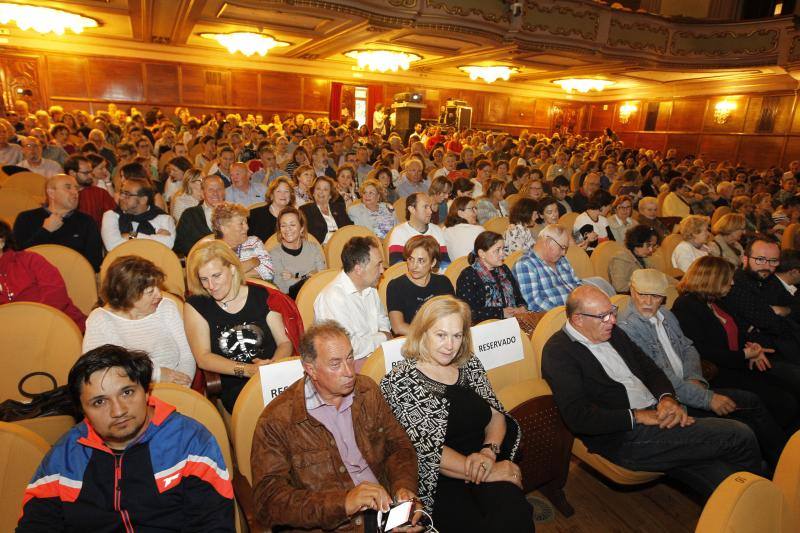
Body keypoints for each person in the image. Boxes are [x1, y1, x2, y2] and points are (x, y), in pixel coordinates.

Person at [542, 285, 764, 499]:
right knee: (739, 434)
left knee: (725, 472)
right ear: (578, 319)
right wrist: (638, 416)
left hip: (658, 413)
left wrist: (666, 398)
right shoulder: (559, 352)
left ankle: (754, 504)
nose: (612, 320)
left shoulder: (613, 332)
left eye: (612, 312)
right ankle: (761, 499)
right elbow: (578, 417)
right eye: (603, 316)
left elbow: (650, 369)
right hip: (624, 436)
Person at [17, 345, 234, 532]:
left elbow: (213, 525)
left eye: (127, 393)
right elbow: (36, 525)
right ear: (82, 411)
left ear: (147, 392)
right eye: (99, 402)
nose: (118, 410)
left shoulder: (190, 441)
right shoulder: (64, 458)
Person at [380, 296, 533, 531]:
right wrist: (489, 472)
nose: (450, 345)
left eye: (457, 335)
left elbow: (495, 414)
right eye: (440, 335)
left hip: (482, 458)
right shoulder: (399, 381)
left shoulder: (468, 363)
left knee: (515, 514)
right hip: (437, 479)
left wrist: (489, 451)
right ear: (422, 332)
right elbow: (427, 449)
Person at [250, 321, 421, 532]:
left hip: (383, 511)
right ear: (310, 369)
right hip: (333, 525)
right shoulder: (277, 421)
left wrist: (403, 489)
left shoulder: (366, 390)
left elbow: (398, 447)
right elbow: (268, 500)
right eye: (335, 364)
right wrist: (343, 502)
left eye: (350, 357)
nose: (349, 371)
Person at [618, 269, 787, 465]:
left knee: (752, 403)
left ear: (663, 297)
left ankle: (783, 463)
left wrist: (695, 378)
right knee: (743, 424)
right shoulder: (627, 328)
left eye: (655, 296)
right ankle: (771, 469)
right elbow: (658, 377)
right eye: (642, 294)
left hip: (689, 386)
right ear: (631, 291)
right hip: (668, 400)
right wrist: (707, 398)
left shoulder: (664, 314)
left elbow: (688, 346)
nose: (648, 302)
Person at [671, 255, 800, 431]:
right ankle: (780, 450)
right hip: (717, 372)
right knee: (783, 401)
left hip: (738, 363)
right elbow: (700, 350)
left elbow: (738, 331)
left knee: (790, 387)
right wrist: (745, 354)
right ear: (712, 280)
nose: (732, 283)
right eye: (728, 279)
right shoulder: (686, 305)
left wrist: (751, 347)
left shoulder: (716, 301)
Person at [184, 240, 292, 412]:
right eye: (204, 279)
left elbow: (284, 343)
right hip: (236, 384)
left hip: (274, 374)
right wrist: (248, 370)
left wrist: (271, 370)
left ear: (233, 269)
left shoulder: (261, 296)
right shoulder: (196, 305)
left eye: (216, 276)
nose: (211, 286)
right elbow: (203, 357)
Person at [82, 256, 196, 385]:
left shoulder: (166, 307)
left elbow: (187, 355)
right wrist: (156, 374)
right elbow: (96, 370)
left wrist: (181, 388)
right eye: (150, 291)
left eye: (158, 287)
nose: (159, 294)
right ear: (128, 296)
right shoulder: (99, 320)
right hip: (126, 394)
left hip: (175, 388)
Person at [314, 236, 391, 362]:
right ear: (358, 269)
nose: (382, 270)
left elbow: (382, 318)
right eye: (378, 265)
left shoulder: (370, 287)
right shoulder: (332, 298)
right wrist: (383, 337)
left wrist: (383, 332)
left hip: (375, 355)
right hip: (346, 365)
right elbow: (347, 347)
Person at [722, 237, 800, 363]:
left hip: (786, 344)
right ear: (745, 259)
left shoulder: (769, 279)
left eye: (773, 261)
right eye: (760, 260)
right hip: (761, 353)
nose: (767, 266)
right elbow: (769, 323)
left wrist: (783, 310)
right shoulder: (734, 285)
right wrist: (786, 315)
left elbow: (796, 306)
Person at [0, 220, 86, 331]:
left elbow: (55, 293)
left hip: (60, 324)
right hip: (14, 337)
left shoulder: (29, 259)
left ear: (2, 241)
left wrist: (35, 322)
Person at [13, 174, 103, 271]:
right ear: (51, 193)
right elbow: (18, 256)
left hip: (73, 278)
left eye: (76, 188)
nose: (75, 192)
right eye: (68, 187)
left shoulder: (86, 221)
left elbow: (95, 263)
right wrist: (46, 230)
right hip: (34, 278)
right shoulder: (26, 218)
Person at [387, 235, 454, 335]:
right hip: (411, 341)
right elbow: (398, 327)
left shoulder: (443, 282)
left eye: (421, 260)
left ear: (433, 262)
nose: (414, 266)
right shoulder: (396, 286)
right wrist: (430, 336)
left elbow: (454, 315)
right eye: (410, 259)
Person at [456, 231, 527, 323]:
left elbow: (518, 297)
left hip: (513, 322)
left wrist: (521, 307)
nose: (502, 254)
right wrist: (500, 313)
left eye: (503, 249)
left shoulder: (504, 269)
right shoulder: (468, 276)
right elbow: (468, 313)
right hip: (485, 327)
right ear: (482, 253)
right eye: (497, 250)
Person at [514, 224, 582, 312]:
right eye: (562, 247)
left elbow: (577, 284)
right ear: (549, 243)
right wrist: (568, 313)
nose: (564, 253)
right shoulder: (525, 264)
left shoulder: (562, 259)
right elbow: (534, 303)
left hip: (579, 312)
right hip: (555, 319)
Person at [101, 174, 176, 251]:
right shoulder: (111, 215)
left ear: (143, 200)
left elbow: (168, 244)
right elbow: (113, 246)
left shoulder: (163, 218)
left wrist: (132, 236)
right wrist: (155, 238)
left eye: (127, 194)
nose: (121, 197)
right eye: (121, 192)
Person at [266, 206, 326, 298]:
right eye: (283, 225)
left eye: (292, 225)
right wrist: (308, 276)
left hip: (318, 296)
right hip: (292, 303)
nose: (287, 229)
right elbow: (284, 288)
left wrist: (294, 278)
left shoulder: (313, 248)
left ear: (301, 228)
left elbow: (322, 277)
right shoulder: (274, 254)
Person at [210, 202, 273, 281]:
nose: (247, 227)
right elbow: (218, 278)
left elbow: (269, 273)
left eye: (246, 222)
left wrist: (233, 276)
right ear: (224, 228)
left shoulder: (254, 242)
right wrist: (253, 261)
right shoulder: (214, 250)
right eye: (241, 223)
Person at [387, 192, 449, 266]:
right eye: (425, 207)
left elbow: (445, 264)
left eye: (430, 207)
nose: (430, 212)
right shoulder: (399, 232)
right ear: (412, 209)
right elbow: (397, 266)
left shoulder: (437, 230)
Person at [174, 175, 226, 256]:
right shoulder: (190, 215)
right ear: (202, 193)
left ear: (224, 192)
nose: (215, 193)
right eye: (210, 190)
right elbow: (179, 245)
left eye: (219, 189)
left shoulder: (235, 213)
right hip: (202, 261)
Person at [66, 154, 117, 228]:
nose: (90, 176)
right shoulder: (59, 194)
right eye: (86, 173)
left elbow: (115, 216)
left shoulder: (100, 193)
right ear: (72, 173)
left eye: (90, 172)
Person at [300, 176, 353, 245]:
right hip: (321, 248)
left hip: (343, 245)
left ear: (330, 194)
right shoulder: (305, 210)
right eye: (318, 189)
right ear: (313, 192)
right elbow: (309, 235)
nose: (321, 192)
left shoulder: (339, 208)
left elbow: (349, 227)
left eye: (325, 189)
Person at [609, 225, 658, 293]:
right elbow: (619, 287)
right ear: (637, 242)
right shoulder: (621, 258)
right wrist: (645, 284)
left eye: (653, 246)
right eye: (648, 245)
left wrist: (677, 284)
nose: (651, 250)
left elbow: (658, 275)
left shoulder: (644, 257)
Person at [248, 176, 295, 242]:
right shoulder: (255, 214)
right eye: (278, 191)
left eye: (286, 191)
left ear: (291, 195)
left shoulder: (296, 216)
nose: (283, 194)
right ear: (271, 195)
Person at [443, 196, 485, 261]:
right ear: (460, 213)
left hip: (455, 270)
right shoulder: (479, 230)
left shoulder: (446, 231)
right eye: (472, 209)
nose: (476, 212)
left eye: (476, 208)